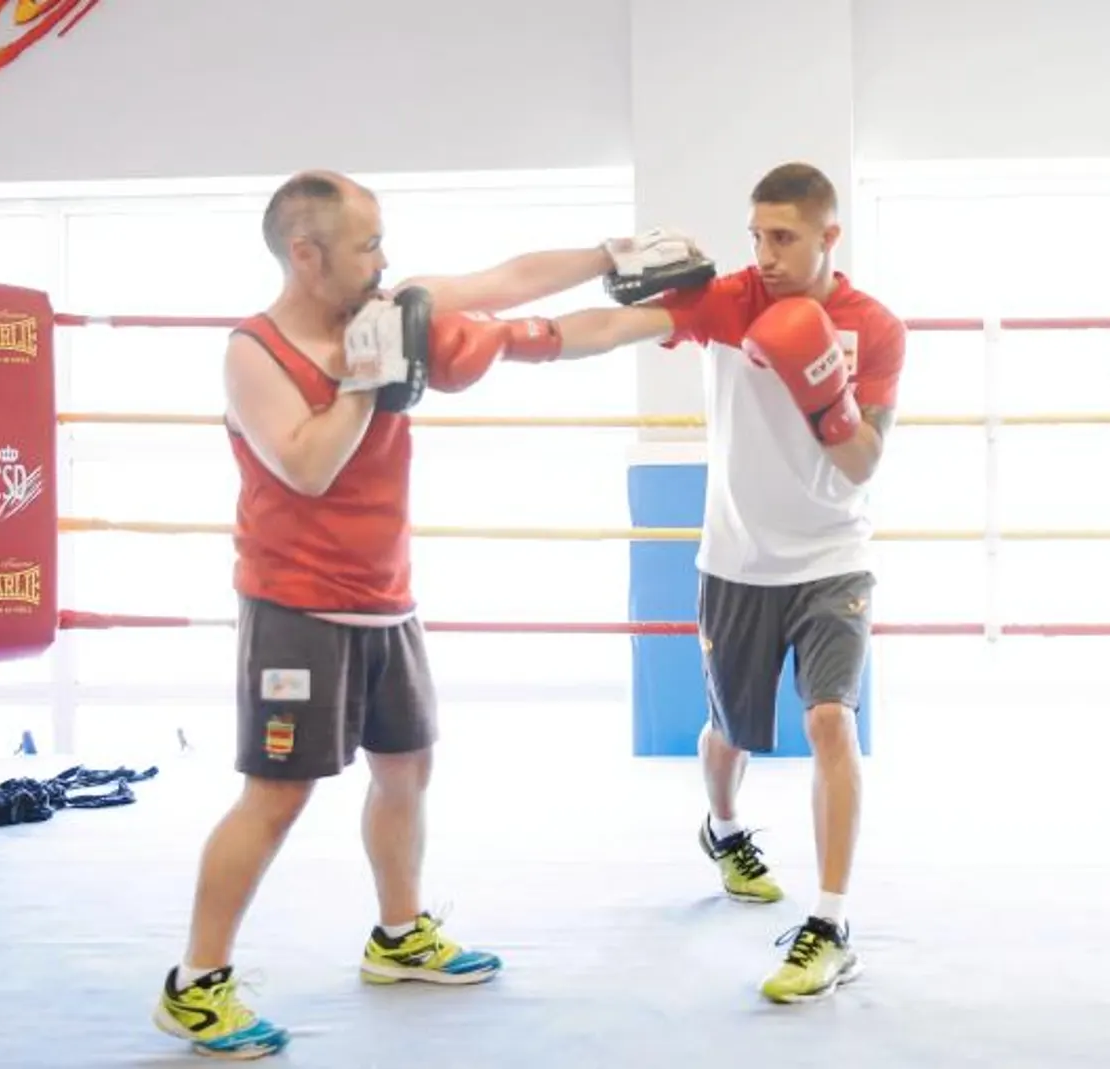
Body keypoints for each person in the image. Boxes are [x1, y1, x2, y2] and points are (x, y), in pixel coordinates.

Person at [152, 169, 705, 1059]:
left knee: (406, 766)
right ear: (306, 253)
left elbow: (507, 281)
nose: (385, 260)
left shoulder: (389, 302)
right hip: (296, 605)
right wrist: (368, 381)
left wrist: (618, 259)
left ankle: (399, 934)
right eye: (366, 244)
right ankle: (195, 984)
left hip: (384, 596)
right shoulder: (252, 352)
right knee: (278, 795)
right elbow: (304, 466)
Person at [540, 162, 906, 1003]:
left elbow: (864, 464)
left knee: (828, 720)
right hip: (737, 559)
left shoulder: (874, 328)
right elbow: (613, 326)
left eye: (784, 237)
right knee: (731, 731)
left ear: (828, 236)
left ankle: (831, 921)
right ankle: (726, 825)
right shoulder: (730, 298)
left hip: (832, 557)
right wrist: (520, 340)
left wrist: (826, 397)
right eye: (758, 236)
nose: (766, 254)